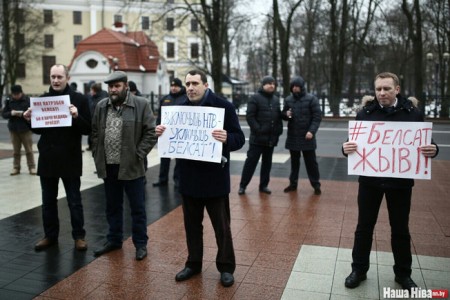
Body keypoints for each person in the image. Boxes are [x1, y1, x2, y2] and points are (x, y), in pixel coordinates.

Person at [342, 72, 439, 291]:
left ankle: (403, 274)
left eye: (386, 88)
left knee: (400, 229)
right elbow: (352, 143)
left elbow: (427, 143)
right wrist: (344, 148)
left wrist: (434, 150)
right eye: (378, 89)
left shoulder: (413, 114)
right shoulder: (365, 113)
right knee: (364, 228)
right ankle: (359, 270)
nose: (382, 93)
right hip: (369, 181)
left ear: (397, 89)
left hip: (400, 183)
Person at [155, 69, 245, 287]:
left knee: (222, 227)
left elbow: (239, 138)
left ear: (206, 85)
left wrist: (227, 138)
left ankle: (225, 267)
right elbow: (167, 138)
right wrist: (160, 132)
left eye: (195, 83)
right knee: (192, 226)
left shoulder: (224, 107)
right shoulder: (177, 110)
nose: (190, 88)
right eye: (188, 84)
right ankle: (193, 264)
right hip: (189, 179)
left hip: (215, 180)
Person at [23, 64, 91, 251]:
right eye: (53, 76)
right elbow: (38, 129)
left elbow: (88, 129)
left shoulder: (79, 99)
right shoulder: (43, 100)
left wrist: (76, 116)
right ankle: (50, 236)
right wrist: (28, 119)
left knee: (74, 201)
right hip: (48, 158)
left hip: (70, 158)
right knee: (48, 202)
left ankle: (79, 236)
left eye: (59, 76)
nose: (56, 80)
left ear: (67, 78)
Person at [91, 71, 157, 261]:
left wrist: (138, 154)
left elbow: (151, 133)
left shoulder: (140, 104)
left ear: (125, 86)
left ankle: (140, 244)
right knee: (112, 206)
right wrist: (97, 153)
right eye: (110, 86)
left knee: (137, 208)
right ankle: (114, 239)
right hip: (109, 166)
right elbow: (95, 132)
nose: (113, 90)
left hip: (132, 167)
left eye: (117, 86)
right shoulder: (101, 106)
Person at [238, 75, 283, 195]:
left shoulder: (276, 99)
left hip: (271, 139)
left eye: (273, 83)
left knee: (267, 164)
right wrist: (258, 129)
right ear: (263, 85)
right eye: (268, 83)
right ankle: (243, 185)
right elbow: (250, 116)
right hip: (257, 139)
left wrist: (278, 130)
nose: (271, 85)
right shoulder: (255, 98)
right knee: (251, 162)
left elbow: (278, 116)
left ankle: (263, 186)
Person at [282, 76, 322, 195]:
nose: (295, 88)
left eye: (297, 86)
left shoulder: (311, 99)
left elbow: (317, 117)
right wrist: (286, 114)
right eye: (293, 86)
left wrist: (311, 131)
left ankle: (316, 185)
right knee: (294, 163)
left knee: (311, 163)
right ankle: (293, 184)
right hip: (293, 136)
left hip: (307, 137)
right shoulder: (288, 100)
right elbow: (284, 115)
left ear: (302, 87)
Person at [152, 78, 186, 188]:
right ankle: (163, 179)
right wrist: (158, 127)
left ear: (180, 87)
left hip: (180, 134)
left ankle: (177, 180)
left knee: (179, 159)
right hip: (166, 134)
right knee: (164, 158)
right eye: (172, 86)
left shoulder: (186, 98)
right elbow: (160, 116)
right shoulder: (165, 99)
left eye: (176, 86)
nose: (174, 88)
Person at [2, 84, 36, 176]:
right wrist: (11, 113)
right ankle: (16, 167)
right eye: (14, 94)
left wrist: (24, 114)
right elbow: (4, 114)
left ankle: (32, 167)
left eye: (18, 94)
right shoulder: (9, 101)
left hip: (25, 129)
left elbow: (33, 113)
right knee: (16, 151)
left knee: (29, 150)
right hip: (14, 129)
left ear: (21, 93)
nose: (16, 96)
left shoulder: (27, 100)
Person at [86, 82, 108, 151]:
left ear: (95, 91)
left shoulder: (100, 100)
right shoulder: (94, 97)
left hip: (99, 122)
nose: (90, 92)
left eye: (91, 90)